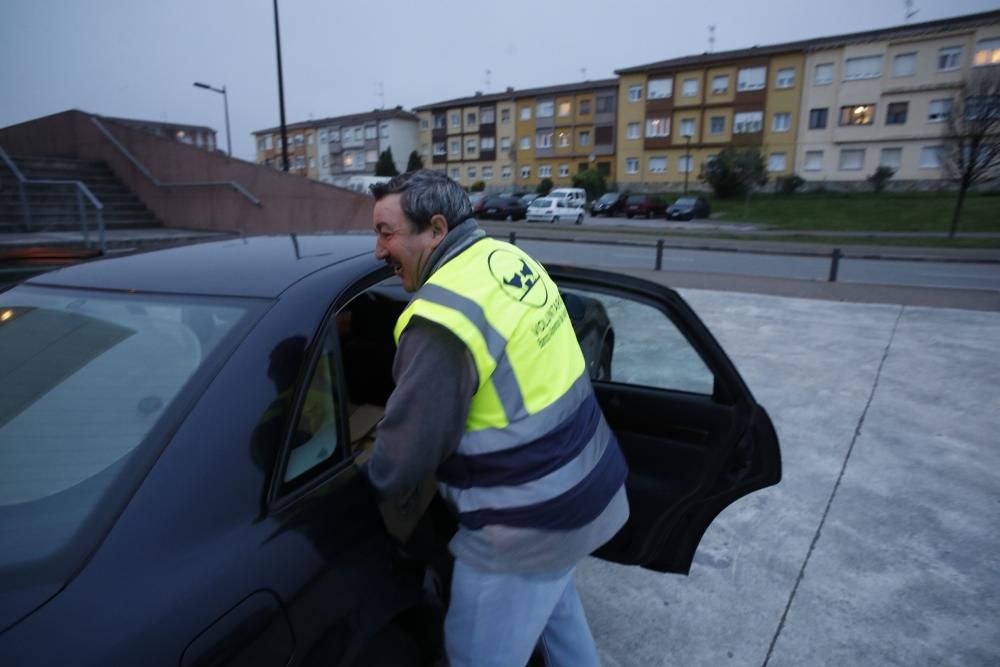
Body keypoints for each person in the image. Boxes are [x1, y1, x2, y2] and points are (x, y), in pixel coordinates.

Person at [363, 170, 629, 667]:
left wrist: (364, 475)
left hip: (523, 528)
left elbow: (402, 460)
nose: (378, 250)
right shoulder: (507, 259)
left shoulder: (442, 321)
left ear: (436, 229)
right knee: (560, 629)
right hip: (583, 489)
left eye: (386, 232)